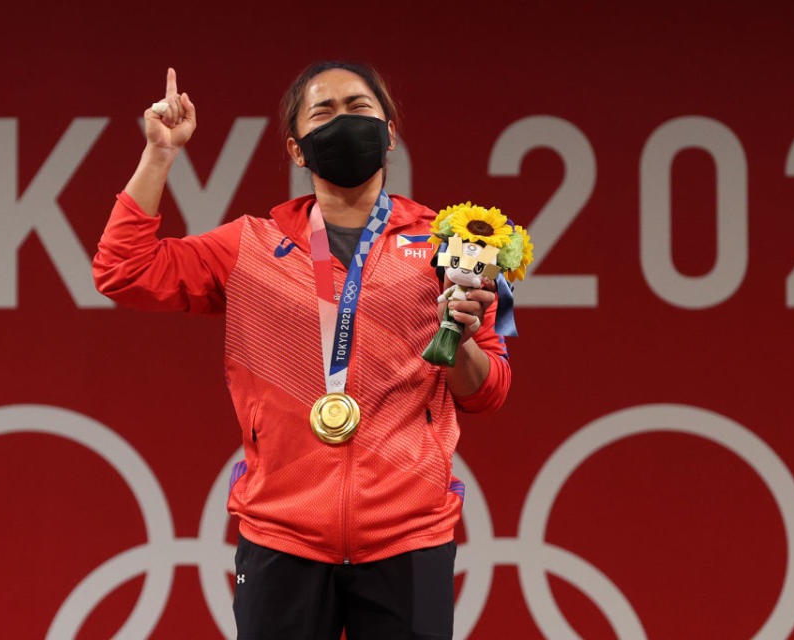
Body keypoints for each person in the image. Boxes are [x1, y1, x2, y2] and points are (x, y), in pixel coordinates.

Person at [93, 61, 511, 640]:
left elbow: (487, 391)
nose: (345, 121)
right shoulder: (251, 247)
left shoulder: (454, 247)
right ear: (297, 149)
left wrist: (461, 343)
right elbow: (123, 270)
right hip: (281, 535)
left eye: (360, 108)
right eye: (324, 112)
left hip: (409, 536)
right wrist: (159, 155)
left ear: (388, 132)